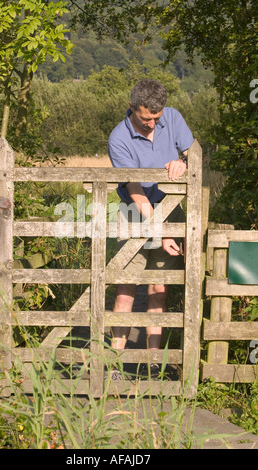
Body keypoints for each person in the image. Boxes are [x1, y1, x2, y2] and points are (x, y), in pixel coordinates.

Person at [107, 79, 194, 379]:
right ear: (132, 108)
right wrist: (163, 232)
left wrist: (183, 161)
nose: (151, 125)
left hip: (172, 208)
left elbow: (194, 154)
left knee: (159, 287)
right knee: (126, 288)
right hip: (135, 212)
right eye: (145, 119)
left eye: (156, 119)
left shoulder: (173, 117)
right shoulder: (118, 139)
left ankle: (152, 362)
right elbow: (135, 190)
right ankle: (115, 364)